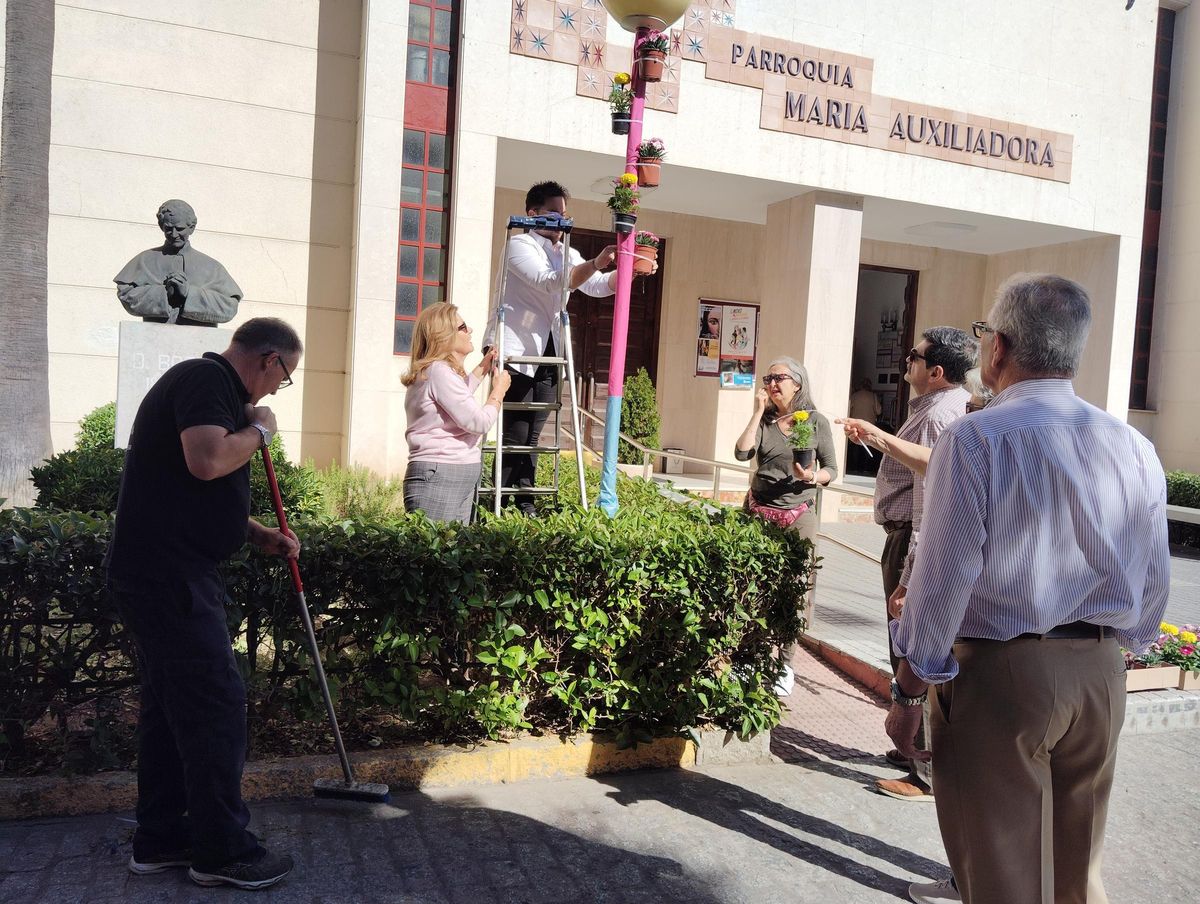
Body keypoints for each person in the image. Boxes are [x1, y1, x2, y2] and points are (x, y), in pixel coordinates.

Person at [887, 275, 1170, 904]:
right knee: (1077, 872)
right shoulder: (1134, 446)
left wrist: (908, 686)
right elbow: (1154, 577)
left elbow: (943, 577)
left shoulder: (976, 438)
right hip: (1099, 671)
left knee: (1004, 879)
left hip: (1002, 675)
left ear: (998, 349)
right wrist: (1118, 652)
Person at [105, 318, 302, 890]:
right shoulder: (204, 380)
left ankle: (162, 838)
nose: (274, 393)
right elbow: (208, 461)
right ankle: (222, 851)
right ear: (268, 360)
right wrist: (261, 431)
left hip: (165, 571)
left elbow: (181, 491)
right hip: (169, 578)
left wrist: (253, 531)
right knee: (216, 706)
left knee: (173, 713)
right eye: (283, 378)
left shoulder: (206, 385)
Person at [836, 326, 977, 776]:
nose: (906, 363)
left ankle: (921, 763)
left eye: (913, 357)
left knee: (912, 650)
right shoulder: (938, 409)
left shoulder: (939, 417)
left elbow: (929, 507)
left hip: (909, 543)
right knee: (910, 648)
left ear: (935, 371)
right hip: (903, 538)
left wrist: (906, 579)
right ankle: (912, 751)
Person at [484, 181, 625, 515]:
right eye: (553, 214)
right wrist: (595, 262)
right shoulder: (520, 244)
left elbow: (599, 286)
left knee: (534, 432)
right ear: (533, 214)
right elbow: (548, 280)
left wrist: (629, 270)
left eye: (564, 215)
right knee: (516, 431)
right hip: (517, 348)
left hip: (550, 350)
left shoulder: (568, 252)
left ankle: (525, 498)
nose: (561, 223)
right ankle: (500, 501)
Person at [735, 357, 838, 697]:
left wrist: (811, 477)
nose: (772, 383)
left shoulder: (813, 421)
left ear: (798, 383)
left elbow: (832, 470)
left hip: (798, 517)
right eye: (768, 378)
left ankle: (785, 663)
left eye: (779, 377)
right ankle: (750, 656)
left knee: (794, 590)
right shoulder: (764, 421)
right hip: (758, 513)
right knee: (752, 587)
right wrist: (756, 411)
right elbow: (741, 452)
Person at [402, 302, 511, 522]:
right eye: (463, 327)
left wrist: (483, 368)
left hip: (448, 473)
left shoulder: (437, 372)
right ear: (444, 336)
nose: (469, 330)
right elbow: (477, 422)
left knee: (450, 552)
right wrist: (498, 391)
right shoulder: (439, 372)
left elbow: (455, 400)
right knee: (437, 552)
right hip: (441, 474)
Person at [114, 199, 243, 326]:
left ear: (191, 228)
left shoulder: (212, 267)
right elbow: (126, 294)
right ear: (161, 226)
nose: (174, 234)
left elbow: (229, 307)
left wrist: (188, 293)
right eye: (169, 228)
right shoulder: (145, 260)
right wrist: (164, 294)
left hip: (199, 340)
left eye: (180, 229)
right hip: (153, 337)